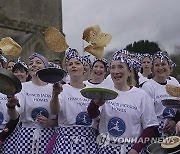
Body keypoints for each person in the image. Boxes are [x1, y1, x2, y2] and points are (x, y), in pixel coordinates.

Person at [88, 55, 159, 154]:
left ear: (129, 72)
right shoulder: (104, 91)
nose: (116, 71)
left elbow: (150, 127)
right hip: (106, 149)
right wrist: (95, 104)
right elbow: (92, 114)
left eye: (121, 67)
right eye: (113, 67)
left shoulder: (141, 95)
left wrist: (135, 150)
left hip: (131, 149)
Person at [6, 52, 57, 154]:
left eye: (38, 62)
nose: (34, 65)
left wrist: (50, 122)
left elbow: (61, 117)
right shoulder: (23, 88)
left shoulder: (53, 88)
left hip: (48, 135)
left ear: (45, 67)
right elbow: (15, 116)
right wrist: (11, 106)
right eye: (31, 63)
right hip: (26, 135)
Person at [50, 48, 97, 154]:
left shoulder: (92, 90)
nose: (73, 66)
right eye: (70, 64)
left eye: (77, 63)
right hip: (65, 141)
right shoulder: (62, 89)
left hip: (89, 141)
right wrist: (55, 95)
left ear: (84, 69)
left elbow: (97, 115)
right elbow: (54, 111)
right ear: (67, 69)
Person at [142, 51, 180, 137]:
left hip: (175, 126)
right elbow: (147, 114)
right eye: (157, 65)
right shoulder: (148, 86)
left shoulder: (174, 83)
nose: (160, 67)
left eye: (163, 64)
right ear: (152, 69)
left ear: (169, 66)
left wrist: (174, 120)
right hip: (156, 129)